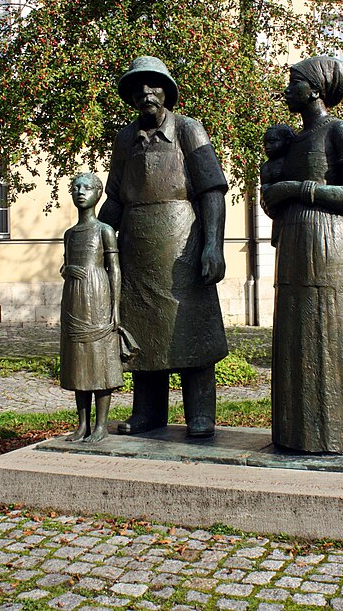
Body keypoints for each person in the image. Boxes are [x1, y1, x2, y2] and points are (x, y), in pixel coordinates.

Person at [98, 56, 228, 438]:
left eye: (153, 85)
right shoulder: (125, 139)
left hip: (182, 246)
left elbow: (212, 191)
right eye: (138, 88)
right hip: (136, 249)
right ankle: (148, 412)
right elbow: (116, 200)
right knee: (142, 332)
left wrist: (212, 245)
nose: (145, 93)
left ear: (167, 91)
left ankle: (200, 413)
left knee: (193, 330)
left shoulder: (189, 130)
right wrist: (92, 236)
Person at [261, 55, 343, 454]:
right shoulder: (289, 142)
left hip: (328, 245)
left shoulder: (342, 132)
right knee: (294, 337)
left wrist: (294, 188)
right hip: (292, 243)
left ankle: (342, 434)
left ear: (316, 89)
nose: (288, 89)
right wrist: (272, 191)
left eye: (294, 82)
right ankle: (295, 434)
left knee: (329, 334)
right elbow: (275, 200)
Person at [60, 173, 123, 443]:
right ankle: (82, 424)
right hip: (74, 298)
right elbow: (65, 265)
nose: (80, 192)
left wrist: (116, 307)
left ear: (98, 194)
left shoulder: (104, 230)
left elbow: (115, 270)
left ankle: (101, 425)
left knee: (99, 360)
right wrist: (68, 269)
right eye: (76, 188)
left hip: (98, 295)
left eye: (87, 188)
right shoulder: (70, 234)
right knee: (79, 362)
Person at [260, 124, 295, 247]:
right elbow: (266, 197)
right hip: (282, 220)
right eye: (265, 144)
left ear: (287, 140)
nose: (267, 147)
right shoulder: (266, 167)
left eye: (272, 142)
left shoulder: (297, 159)